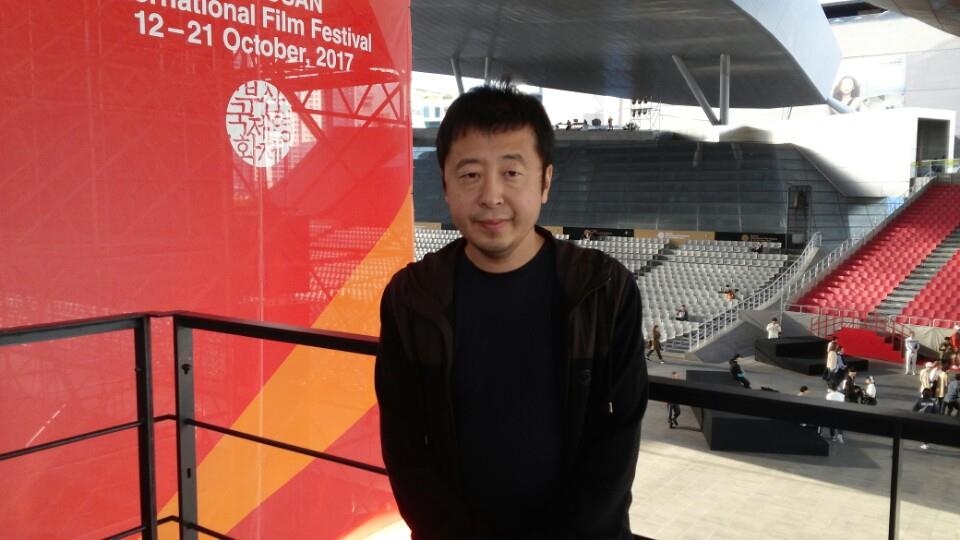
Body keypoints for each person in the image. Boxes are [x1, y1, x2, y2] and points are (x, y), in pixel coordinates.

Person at [375, 83, 649, 538]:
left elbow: (619, 436)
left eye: (511, 173)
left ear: (545, 181)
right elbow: (404, 446)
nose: (491, 196)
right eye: (469, 175)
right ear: (444, 185)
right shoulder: (411, 298)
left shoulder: (604, 289)